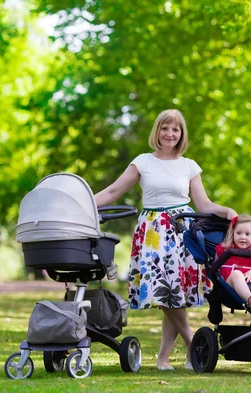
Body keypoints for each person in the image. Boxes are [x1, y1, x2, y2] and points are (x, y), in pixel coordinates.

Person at [94, 109, 237, 371]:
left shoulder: (189, 165)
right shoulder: (143, 162)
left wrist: (226, 211)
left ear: (181, 134)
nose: (170, 133)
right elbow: (113, 191)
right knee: (163, 293)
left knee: (175, 296)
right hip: (153, 232)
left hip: (183, 230)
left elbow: (203, 203)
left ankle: (163, 359)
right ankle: (194, 345)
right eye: (165, 128)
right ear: (157, 131)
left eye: (176, 129)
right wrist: (84, 202)